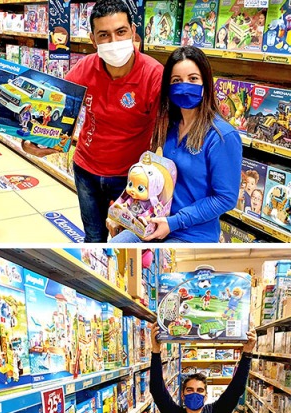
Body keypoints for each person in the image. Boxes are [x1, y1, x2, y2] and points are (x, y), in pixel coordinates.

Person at [24, 0, 163, 242]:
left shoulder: (153, 74)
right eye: (104, 35)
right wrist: (31, 140)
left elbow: (167, 134)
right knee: (94, 238)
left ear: (133, 31)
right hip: (86, 171)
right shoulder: (85, 68)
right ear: (93, 40)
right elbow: (55, 107)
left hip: (131, 179)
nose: (114, 41)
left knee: (127, 243)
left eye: (121, 31)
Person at [110, 46, 241, 243]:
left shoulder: (222, 136)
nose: (184, 86)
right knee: (111, 249)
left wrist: (174, 222)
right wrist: (125, 213)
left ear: (206, 82)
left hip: (192, 234)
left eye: (193, 79)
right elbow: (155, 181)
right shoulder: (167, 126)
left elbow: (225, 198)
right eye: (176, 80)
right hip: (152, 221)